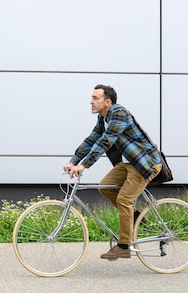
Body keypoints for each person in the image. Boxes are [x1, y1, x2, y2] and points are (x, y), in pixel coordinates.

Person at [63, 85, 162, 259]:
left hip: (145, 163)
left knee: (124, 200)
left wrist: (84, 165)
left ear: (107, 102)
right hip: (128, 164)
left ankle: (124, 246)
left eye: (95, 98)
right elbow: (92, 139)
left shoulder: (118, 113)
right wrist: (74, 161)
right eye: (91, 98)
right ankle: (136, 216)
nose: (91, 102)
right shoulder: (103, 118)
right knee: (105, 187)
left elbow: (106, 141)